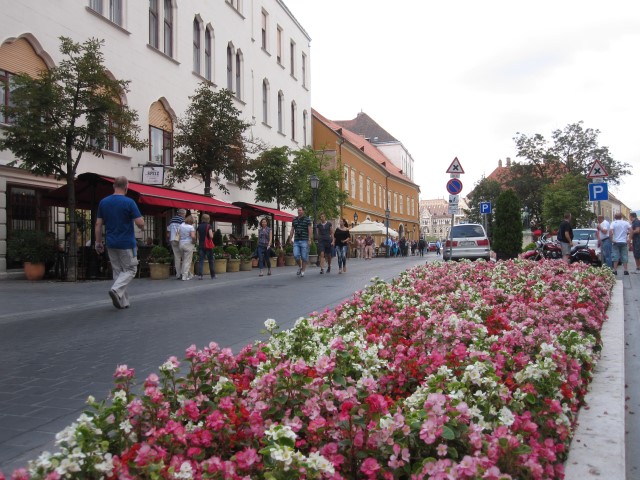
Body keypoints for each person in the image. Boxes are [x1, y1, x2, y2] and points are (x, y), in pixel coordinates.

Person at [94, 176, 145, 309]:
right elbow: (139, 222)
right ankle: (116, 290)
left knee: (118, 271)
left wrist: (98, 242)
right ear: (126, 187)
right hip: (127, 243)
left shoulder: (103, 202)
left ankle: (123, 301)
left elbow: (98, 224)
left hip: (111, 242)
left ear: (113, 186)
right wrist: (142, 226)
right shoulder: (129, 202)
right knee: (131, 270)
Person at [287, 206, 313, 277]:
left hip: (304, 240)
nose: (299, 211)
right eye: (298, 210)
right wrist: (290, 238)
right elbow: (292, 230)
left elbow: (310, 230)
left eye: (300, 210)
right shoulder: (294, 220)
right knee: (296, 255)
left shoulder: (307, 220)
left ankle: (303, 271)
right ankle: (300, 266)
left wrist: (309, 239)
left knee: (304, 257)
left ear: (303, 211)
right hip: (296, 241)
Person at [167, 208, 186, 279]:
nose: (184, 216)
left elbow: (168, 233)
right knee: (184, 257)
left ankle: (178, 274)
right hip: (181, 240)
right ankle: (184, 273)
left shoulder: (171, 220)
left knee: (177, 257)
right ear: (182, 214)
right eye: (184, 214)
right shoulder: (182, 220)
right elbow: (184, 231)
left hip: (172, 239)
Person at [196, 213, 215, 280]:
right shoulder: (209, 226)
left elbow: (198, 237)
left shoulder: (199, 226)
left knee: (201, 260)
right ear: (208, 219)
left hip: (201, 245)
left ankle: (200, 275)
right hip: (208, 245)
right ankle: (213, 275)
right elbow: (211, 236)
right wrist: (212, 234)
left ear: (202, 219)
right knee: (211, 260)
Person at [178, 215, 196, 280]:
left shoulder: (181, 225)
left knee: (184, 260)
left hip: (181, 243)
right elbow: (193, 236)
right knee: (187, 261)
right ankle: (184, 276)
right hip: (188, 244)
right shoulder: (191, 227)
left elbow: (178, 235)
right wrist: (194, 241)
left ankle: (188, 274)